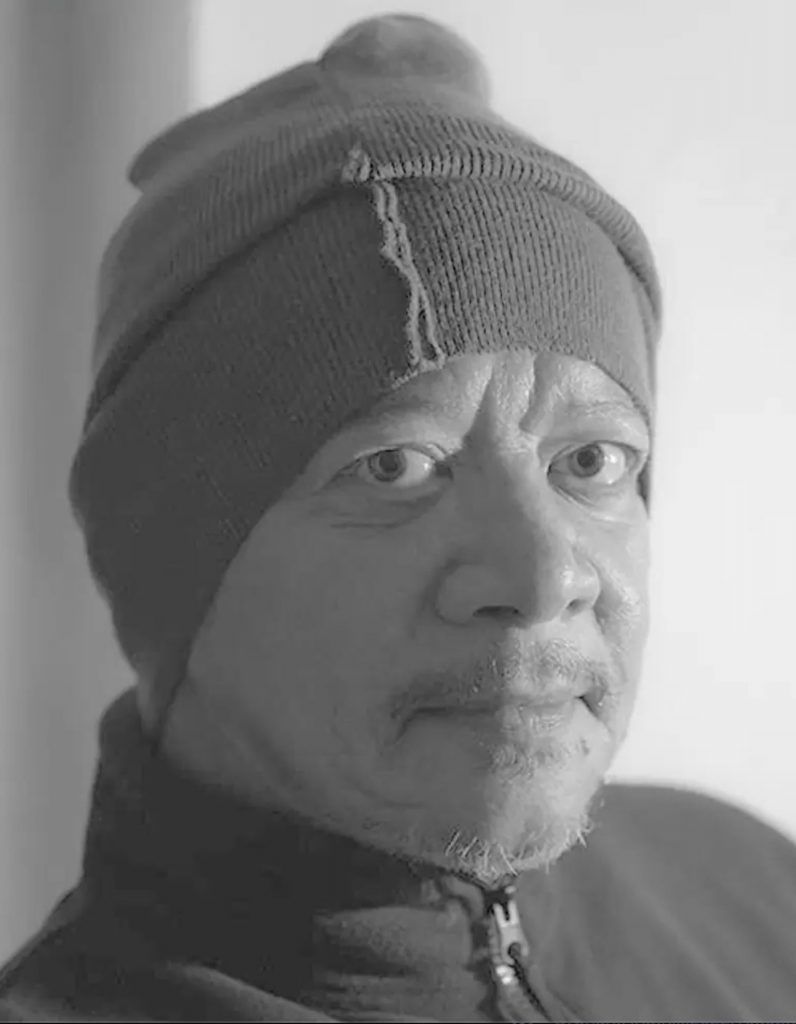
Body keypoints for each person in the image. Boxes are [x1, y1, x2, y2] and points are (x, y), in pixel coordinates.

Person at [1, 12, 795, 1023]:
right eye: (394, 467)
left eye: (591, 462)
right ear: (173, 574)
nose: (542, 577)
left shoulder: (750, 886)